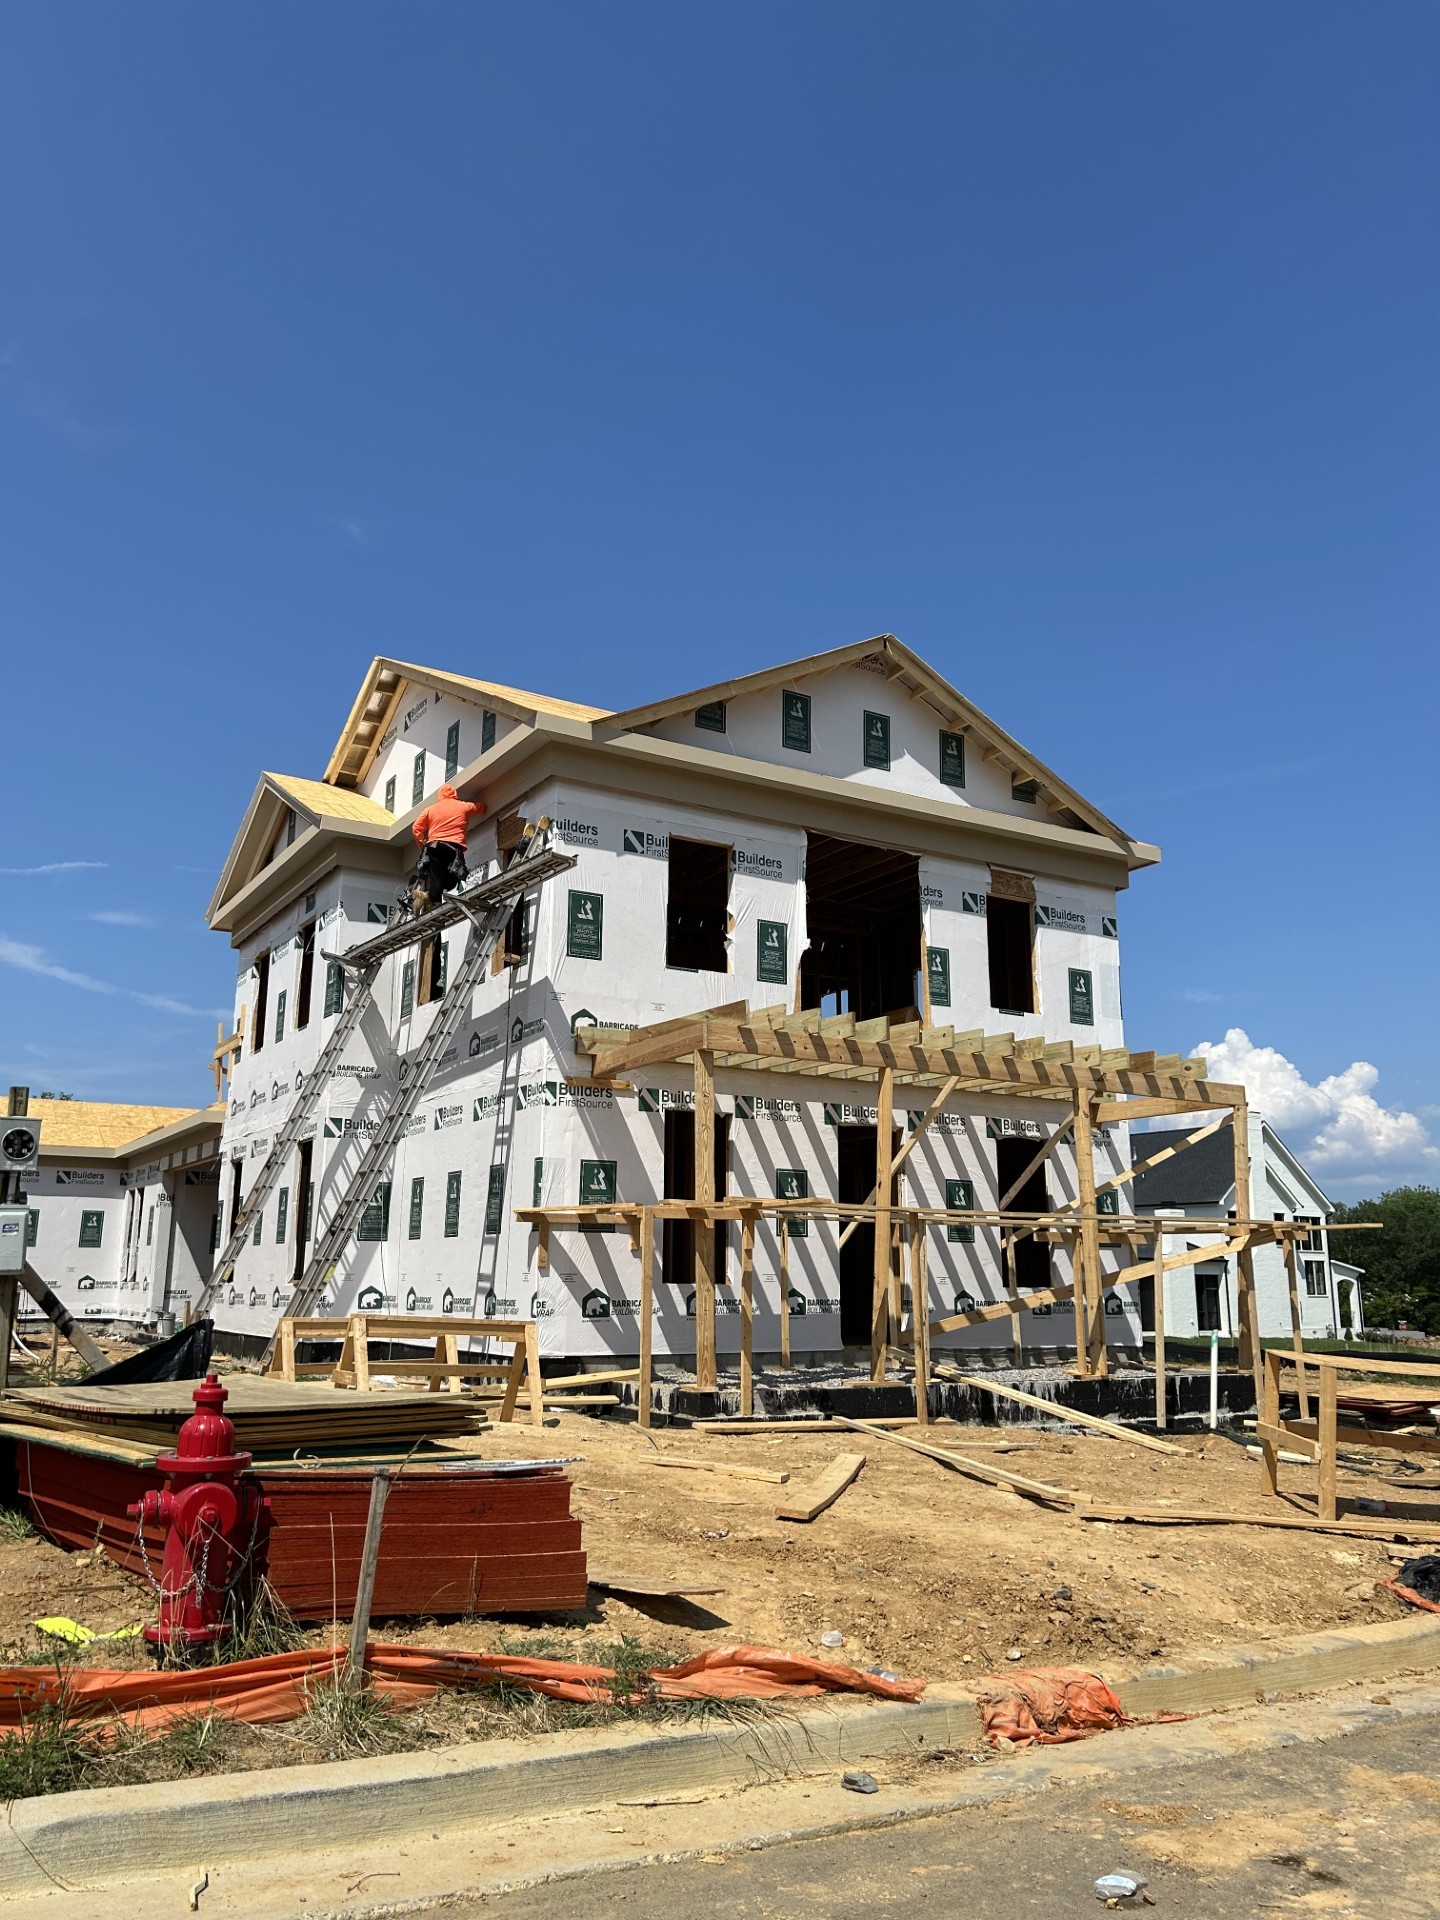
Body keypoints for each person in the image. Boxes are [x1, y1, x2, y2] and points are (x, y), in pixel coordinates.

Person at [410, 783, 483, 911]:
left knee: (436, 876)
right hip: (453, 849)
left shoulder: (430, 809)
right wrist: (483, 805)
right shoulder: (463, 806)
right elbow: (480, 808)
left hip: (434, 847)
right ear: (454, 794)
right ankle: (432, 898)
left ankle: (433, 900)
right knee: (453, 879)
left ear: (440, 795)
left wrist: (422, 845)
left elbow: (416, 828)